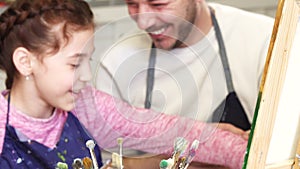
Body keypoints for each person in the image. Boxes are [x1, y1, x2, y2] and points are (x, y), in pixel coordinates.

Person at [0, 0, 247, 168]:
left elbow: (163, 131)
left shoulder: (86, 106)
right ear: (25, 62)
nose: (86, 75)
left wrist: (245, 153)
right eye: (75, 65)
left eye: (89, 60)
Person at [96, 0, 275, 136]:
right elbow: (113, 160)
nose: (144, 22)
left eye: (158, 4)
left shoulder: (267, 41)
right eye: (132, 4)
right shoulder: (116, 62)